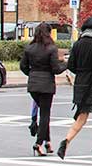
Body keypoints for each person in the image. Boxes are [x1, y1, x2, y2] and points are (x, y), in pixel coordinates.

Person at [56, 16, 92, 161]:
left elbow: (71, 65)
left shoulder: (77, 44)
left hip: (81, 84)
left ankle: (66, 141)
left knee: (82, 117)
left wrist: (82, 73)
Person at [20, 22, 66, 156]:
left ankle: (48, 142)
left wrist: (32, 74)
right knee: (45, 115)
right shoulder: (51, 48)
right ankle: (38, 143)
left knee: (43, 112)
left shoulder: (29, 48)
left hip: (33, 85)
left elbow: (23, 66)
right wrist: (66, 64)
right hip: (46, 85)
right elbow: (56, 69)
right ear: (49, 33)